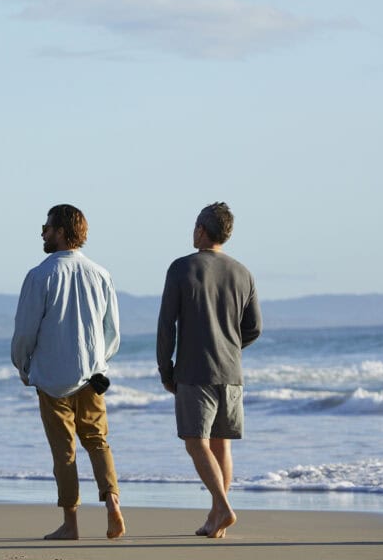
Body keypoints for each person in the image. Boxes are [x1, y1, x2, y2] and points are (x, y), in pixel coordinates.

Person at [11, 204, 126, 541]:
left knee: (64, 452)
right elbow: (112, 332)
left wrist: (22, 364)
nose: (43, 232)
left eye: (46, 227)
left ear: (60, 231)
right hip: (91, 376)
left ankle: (71, 523)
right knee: (98, 442)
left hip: (51, 377)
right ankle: (113, 503)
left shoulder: (39, 275)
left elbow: (25, 331)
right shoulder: (101, 274)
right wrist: (99, 361)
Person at [156, 202, 262, 539]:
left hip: (195, 370)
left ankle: (224, 507)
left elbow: (166, 326)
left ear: (202, 229)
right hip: (231, 372)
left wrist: (165, 367)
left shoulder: (181, 268)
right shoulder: (242, 272)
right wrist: (229, 347)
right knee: (222, 446)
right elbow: (254, 327)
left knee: (195, 442)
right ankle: (216, 518)